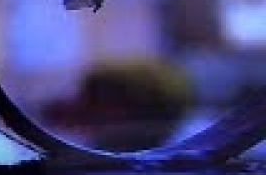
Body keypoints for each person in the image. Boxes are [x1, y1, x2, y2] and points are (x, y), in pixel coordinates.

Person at [41, 57, 196, 153]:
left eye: (63, 114)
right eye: (66, 124)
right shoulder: (105, 143)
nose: (71, 122)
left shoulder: (98, 81)